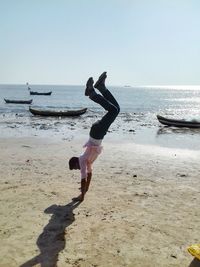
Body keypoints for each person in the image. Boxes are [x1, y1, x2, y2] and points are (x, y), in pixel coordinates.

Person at [69, 72, 120, 201]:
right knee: (116, 109)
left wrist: (82, 196)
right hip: (98, 134)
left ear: (75, 161)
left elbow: (83, 177)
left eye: (75, 167)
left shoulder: (82, 160)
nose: (78, 169)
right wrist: (86, 190)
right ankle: (101, 87)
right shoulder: (88, 162)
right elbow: (90, 175)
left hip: (96, 133)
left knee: (113, 111)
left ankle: (91, 93)